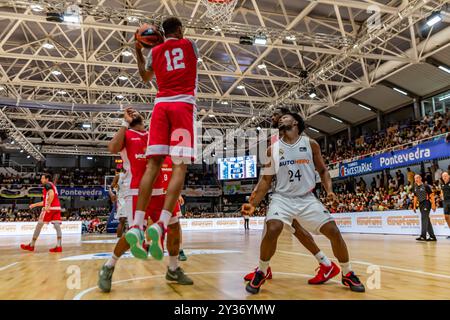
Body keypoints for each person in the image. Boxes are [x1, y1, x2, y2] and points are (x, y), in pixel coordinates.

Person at [242, 112, 365, 294]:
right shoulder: (272, 150)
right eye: (280, 118)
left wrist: (329, 191)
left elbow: (323, 170)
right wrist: (254, 203)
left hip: (307, 198)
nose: (282, 118)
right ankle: (261, 271)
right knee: (273, 227)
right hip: (282, 198)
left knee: (333, 231)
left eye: (286, 116)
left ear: (297, 122)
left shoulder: (311, 144)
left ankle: (347, 273)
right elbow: (266, 180)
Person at [98, 108, 192, 293]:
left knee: (174, 227)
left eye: (136, 111)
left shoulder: (152, 134)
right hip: (137, 191)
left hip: (161, 190)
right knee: (134, 233)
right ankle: (108, 267)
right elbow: (112, 148)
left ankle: (173, 269)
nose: (133, 112)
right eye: (129, 111)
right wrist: (125, 123)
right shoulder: (126, 134)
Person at [127, 16, 198, 262]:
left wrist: (139, 50)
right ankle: (162, 223)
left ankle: (136, 225)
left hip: (160, 106)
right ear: (179, 29)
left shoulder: (154, 52)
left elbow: (145, 78)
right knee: (180, 165)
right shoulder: (190, 45)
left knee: (152, 165)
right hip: (182, 106)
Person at [20, 174, 63, 253]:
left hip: (49, 208)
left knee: (39, 226)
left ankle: (31, 245)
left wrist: (48, 205)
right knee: (57, 226)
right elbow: (45, 201)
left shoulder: (47, 185)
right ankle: (59, 246)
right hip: (57, 207)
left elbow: (51, 194)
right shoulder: (52, 185)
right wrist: (34, 205)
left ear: (47, 179)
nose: (41, 180)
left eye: (42, 178)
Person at [413, 174, 437, 242]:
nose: (416, 179)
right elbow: (415, 197)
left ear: (420, 178)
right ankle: (432, 237)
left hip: (426, 203)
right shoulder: (415, 187)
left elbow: (432, 195)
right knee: (427, 220)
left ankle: (423, 236)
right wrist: (414, 206)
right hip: (420, 204)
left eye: (417, 178)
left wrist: (433, 204)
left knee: (424, 218)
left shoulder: (425, 186)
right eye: (415, 178)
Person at [440, 171, 450, 239]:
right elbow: (442, 192)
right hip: (445, 202)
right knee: (446, 217)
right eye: (443, 176)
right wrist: (441, 196)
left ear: (449, 176)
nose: (444, 177)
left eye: (446, 176)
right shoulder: (442, 185)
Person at [178, 195, 187, 261]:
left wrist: (179, 195)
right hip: (155, 194)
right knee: (150, 222)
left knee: (177, 226)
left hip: (171, 196)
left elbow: (174, 184)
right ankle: (147, 245)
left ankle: (180, 250)